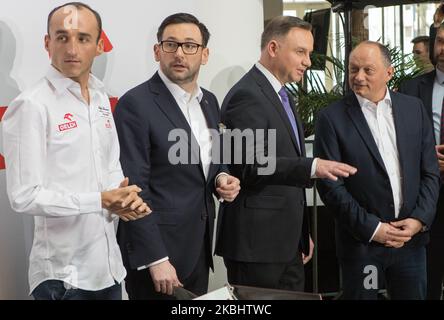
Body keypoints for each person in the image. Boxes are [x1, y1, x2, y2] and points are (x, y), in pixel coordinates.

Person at [2, 2, 151, 300]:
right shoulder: (32, 105)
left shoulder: (98, 97)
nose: (71, 49)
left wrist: (122, 198)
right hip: (63, 278)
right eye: (62, 37)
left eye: (82, 38)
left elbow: (110, 166)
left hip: (109, 268)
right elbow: (24, 195)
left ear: (98, 46)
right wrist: (99, 200)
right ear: (47, 43)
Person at [215, 16, 357, 292]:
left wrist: (301, 234)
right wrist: (312, 166)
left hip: (287, 242)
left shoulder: (282, 93)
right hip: (257, 246)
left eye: (309, 53)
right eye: (300, 52)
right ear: (273, 48)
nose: (307, 61)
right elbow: (253, 166)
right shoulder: (247, 95)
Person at [114, 13, 240, 300]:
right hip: (157, 256)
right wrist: (156, 258)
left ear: (204, 54)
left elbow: (211, 162)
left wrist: (222, 177)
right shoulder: (135, 104)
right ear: (157, 51)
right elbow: (134, 189)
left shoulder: (209, 101)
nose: (180, 53)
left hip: (198, 247)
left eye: (190, 45)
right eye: (171, 44)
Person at [315, 41, 440, 300]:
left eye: (368, 70)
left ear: (389, 73)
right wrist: (373, 228)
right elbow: (330, 186)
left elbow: (429, 172)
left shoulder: (413, 109)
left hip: (411, 244)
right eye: (353, 69)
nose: (358, 77)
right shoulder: (332, 117)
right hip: (362, 246)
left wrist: (418, 221)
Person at [399, 24, 444, 300]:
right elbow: (397, 142)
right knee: (426, 280)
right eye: (440, 41)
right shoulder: (410, 89)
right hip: (424, 202)